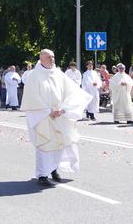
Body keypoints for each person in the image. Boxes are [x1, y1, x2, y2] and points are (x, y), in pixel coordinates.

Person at [21, 49, 91, 187]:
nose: (52, 59)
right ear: (41, 59)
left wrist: (63, 109)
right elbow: (32, 97)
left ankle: (54, 169)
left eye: (53, 57)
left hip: (58, 115)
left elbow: (72, 91)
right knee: (45, 144)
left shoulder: (59, 74)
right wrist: (48, 111)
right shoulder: (34, 76)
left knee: (59, 143)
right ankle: (42, 174)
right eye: (48, 57)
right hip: (43, 116)